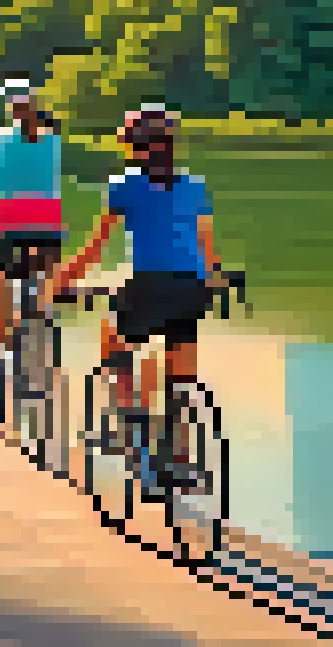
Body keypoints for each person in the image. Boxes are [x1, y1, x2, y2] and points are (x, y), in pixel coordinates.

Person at [48, 105, 226, 450]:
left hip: (148, 284)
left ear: (132, 146)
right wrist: (218, 281)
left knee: (114, 337)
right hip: (194, 289)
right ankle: (182, 456)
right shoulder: (195, 186)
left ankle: (131, 422)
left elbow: (94, 249)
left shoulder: (124, 186)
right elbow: (208, 250)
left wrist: (60, 284)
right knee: (180, 377)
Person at [0, 79, 65, 376]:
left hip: (7, 222)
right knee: (41, 278)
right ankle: (42, 317)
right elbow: (48, 126)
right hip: (49, 225)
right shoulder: (53, 141)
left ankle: (1, 350)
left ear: (9, 108)